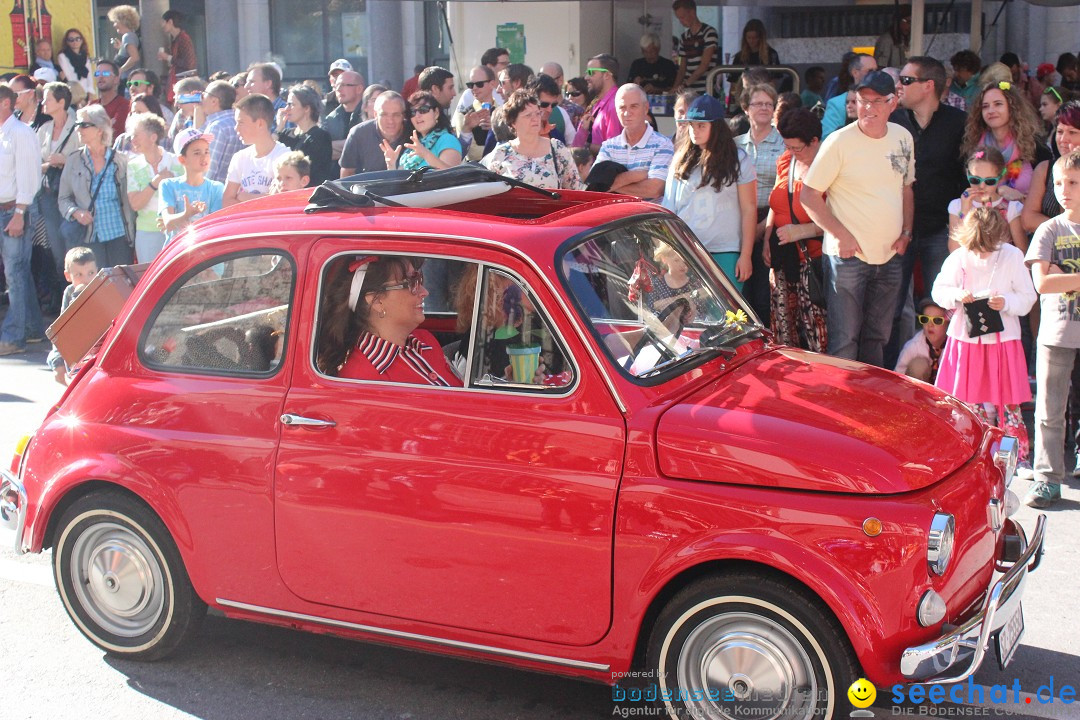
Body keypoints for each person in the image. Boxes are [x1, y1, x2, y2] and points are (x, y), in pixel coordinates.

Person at [801, 71, 915, 367]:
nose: (869, 107)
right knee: (845, 340)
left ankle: (870, 404)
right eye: (863, 100)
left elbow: (906, 188)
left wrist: (906, 233)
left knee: (878, 337)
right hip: (847, 257)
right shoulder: (838, 141)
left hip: (890, 253)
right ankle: (842, 405)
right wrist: (841, 236)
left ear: (893, 103)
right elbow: (809, 195)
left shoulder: (903, 137)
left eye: (877, 101)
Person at [933, 207, 1036, 463]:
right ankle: (969, 456)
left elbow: (1028, 297)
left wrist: (1007, 302)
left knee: (1008, 404)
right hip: (966, 341)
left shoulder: (1012, 256)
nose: (981, 253)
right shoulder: (959, 256)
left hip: (1003, 341)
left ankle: (1016, 458)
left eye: (987, 247)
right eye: (976, 248)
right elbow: (939, 290)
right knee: (968, 403)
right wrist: (956, 295)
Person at [887, 55, 968, 365]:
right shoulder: (894, 121)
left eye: (906, 80)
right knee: (893, 307)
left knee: (941, 304)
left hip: (940, 230)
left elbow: (967, 179)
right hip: (897, 229)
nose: (899, 86)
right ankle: (894, 371)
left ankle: (944, 371)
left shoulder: (958, 123)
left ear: (928, 86)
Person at [1025, 150, 1080, 506]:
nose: (1064, 190)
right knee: (1049, 409)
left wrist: (1066, 276)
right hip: (1057, 334)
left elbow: (1055, 278)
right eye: (1059, 183)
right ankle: (1047, 477)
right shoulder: (1049, 229)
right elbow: (1042, 283)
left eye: (1073, 182)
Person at [316, 255, 462, 386]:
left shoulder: (425, 341)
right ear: (377, 301)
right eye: (411, 283)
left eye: (419, 280)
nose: (424, 292)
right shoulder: (363, 379)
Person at [663, 95, 756, 291]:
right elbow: (669, 208)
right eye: (691, 125)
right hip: (687, 251)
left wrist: (746, 255)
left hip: (726, 250)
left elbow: (749, 208)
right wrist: (669, 253)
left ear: (717, 127)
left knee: (730, 317)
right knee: (691, 315)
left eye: (701, 126)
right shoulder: (679, 160)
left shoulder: (739, 160)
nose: (694, 131)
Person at [763, 107, 827, 352]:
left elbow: (840, 219)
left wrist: (799, 232)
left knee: (816, 332)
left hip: (814, 262)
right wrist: (768, 236)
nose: (791, 152)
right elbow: (777, 202)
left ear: (814, 141)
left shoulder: (829, 167)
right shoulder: (786, 161)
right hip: (783, 260)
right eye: (787, 146)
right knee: (784, 333)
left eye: (796, 148)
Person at [58, 104, 134, 268]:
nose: (79, 129)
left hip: (119, 234)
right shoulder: (73, 160)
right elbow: (63, 198)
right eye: (77, 125)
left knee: (122, 286)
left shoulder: (120, 160)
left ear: (100, 129)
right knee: (97, 288)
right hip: (89, 236)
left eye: (84, 125)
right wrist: (76, 212)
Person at [0, 84, 44, 357]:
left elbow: (29, 176)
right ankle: (32, 329)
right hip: (6, 210)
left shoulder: (21, 133)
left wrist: (19, 213)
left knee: (14, 274)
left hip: (14, 210)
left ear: (5, 103)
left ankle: (14, 336)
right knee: (19, 273)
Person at [735, 83, 784, 325]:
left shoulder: (784, 145)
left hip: (772, 220)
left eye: (769, 104)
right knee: (739, 293)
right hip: (738, 220)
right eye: (758, 103)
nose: (764, 108)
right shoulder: (734, 144)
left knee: (765, 295)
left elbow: (784, 190)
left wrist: (763, 228)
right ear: (746, 108)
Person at [961, 80, 1049, 199]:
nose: (991, 111)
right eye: (985, 106)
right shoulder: (973, 144)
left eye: (998, 104)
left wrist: (1021, 198)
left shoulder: (1033, 143)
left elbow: (1049, 193)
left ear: (1012, 107)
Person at [482, 90, 582, 190]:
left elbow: (576, 190)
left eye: (537, 114)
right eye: (528, 115)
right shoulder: (501, 154)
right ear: (513, 122)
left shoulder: (557, 149)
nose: (535, 119)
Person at [592, 84, 673, 202]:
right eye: (622, 107)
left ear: (646, 108)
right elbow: (595, 186)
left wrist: (611, 184)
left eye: (633, 106)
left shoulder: (663, 145)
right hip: (615, 218)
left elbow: (655, 190)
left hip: (649, 219)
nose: (627, 113)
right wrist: (636, 176)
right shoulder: (608, 146)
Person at [36, 81, 81, 285]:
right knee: (56, 249)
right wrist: (47, 164)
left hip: (73, 194)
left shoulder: (78, 126)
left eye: (48, 98)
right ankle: (64, 295)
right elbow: (35, 161)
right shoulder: (44, 129)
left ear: (61, 102)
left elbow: (84, 158)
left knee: (73, 243)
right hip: (48, 193)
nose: (43, 102)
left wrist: (64, 160)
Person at [948, 147, 1029, 252]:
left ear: (1000, 177)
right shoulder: (957, 206)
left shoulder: (1011, 207)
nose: (981, 186)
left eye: (989, 181)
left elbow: (1022, 251)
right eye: (975, 180)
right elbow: (954, 250)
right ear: (967, 174)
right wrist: (964, 211)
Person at [125, 112, 181, 262]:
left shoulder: (177, 162)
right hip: (147, 231)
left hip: (177, 230)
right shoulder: (133, 166)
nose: (132, 140)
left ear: (153, 137)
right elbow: (135, 204)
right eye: (132, 136)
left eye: (137, 135)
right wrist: (155, 182)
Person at [222, 94, 288, 206]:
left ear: (260, 124)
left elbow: (281, 201)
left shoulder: (284, 157)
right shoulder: (240, 157)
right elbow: (227, 201)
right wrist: (264, 198)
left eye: (241, 122)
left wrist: (244, 197)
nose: (236, 128)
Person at [160, 128, 224, 241]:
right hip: (177, 253)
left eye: (207, 151)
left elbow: (216, 227)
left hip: (205, 252)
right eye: (197, 153)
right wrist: (187, 214)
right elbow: (168, 224)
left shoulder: (216, 188)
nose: (204, 157)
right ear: (182, 160)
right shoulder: (168, 185)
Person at [46, 246, 97, 383]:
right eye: (79, 275)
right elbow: (62, 330)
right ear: (68, 276)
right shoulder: (70, 293)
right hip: (77, 359)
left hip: (98, 358)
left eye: (91, 273)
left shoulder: (101, 288)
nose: (86, 280)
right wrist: (57, 362)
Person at [383, 91, 461, 171]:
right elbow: (400, 181)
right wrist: (391, 165)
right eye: (412, 112)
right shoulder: (412, 148)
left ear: (436, 113)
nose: (417, 116)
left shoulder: (447, 139)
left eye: (423, 110)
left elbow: (451, 175)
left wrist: (425, 154)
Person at [340, 91, 406, 177]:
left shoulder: (412, 132)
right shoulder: (359, 134)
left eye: (396, 115)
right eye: (384, 114)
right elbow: (346, 173)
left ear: (403, 115)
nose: (390, 121)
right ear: (375, 114)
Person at [277, 84, 333, 187]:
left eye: (291, 105)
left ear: (306, 108)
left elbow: (315, 174)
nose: (286, 109)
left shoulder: (320, 137)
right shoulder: (285, 134)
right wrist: (279, 128)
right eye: (287, 104)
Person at [822, 54, 877, 138]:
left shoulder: (885, 99)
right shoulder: (837, 104)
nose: (875, 74)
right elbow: (827, 137)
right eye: (869, 71)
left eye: (876, 71)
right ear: (855, 73)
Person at [895, 298, 948, 383]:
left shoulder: (955, 347)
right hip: (916, 390)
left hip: (947, 390)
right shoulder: (913, 346)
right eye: (925, 319)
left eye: (937, 320)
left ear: (948, 324)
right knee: (918, 366)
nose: (930, 325)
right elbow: (897, 375)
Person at [453, 66, 499, 162]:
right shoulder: (464, 114)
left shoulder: (503, 112)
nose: (474, 88)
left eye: (479, 84)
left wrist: (496, 129)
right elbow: (471, 153)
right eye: (470, 85)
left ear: (492, 84)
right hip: (476, 170)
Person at [671, 0, 718, 95]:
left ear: (692, 12)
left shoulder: (709, 32)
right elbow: (682, 69)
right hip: (688, 92)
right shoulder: (684, 37)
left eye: (683, 17)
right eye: (679, 18)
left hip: (706, 89)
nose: (681, 21)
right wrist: (674, 88)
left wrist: (685, 84)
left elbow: (704, 65)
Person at [200, 80, 242, 184]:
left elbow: (209, 168)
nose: (201, 99)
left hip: (216, 193)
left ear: (214, 101)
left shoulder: (217, 127)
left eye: (203, 95)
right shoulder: (237, 121)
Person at [159, 10, 197, 104]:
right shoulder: (176, 40)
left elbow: (189, 63)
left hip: (186, 84)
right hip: (180, 82)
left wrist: (168, 57)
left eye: (164, 22)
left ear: (170, 22)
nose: (162, 26)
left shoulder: (183, 39)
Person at [92, 59, 128, 141]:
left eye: (105, 73)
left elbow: (115, 133)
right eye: (97, 74)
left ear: (116, 79)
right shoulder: (91, 106)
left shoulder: (125, 105)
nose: (100, 77)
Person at [245, 63, 285, 131]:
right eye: (246, 82)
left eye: (252, 82)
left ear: (268, 84)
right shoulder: (252, 112)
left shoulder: (285, 112)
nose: (246, 86)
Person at [57, 28, 93, 100]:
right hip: (73, 94)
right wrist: (78, 96)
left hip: (85, 93)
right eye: (71, 39)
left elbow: (89, 76)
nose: (75, 42)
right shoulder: (63, 56)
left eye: (78, 39)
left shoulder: (85, 56)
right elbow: (69, 76)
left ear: (82, 40)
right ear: (67, 42)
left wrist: (90, 93)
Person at [108, 5, 141, 80]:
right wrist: (121, 48)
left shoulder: (128, 36)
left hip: (127, 79)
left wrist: (120, 70)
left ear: (123, 21)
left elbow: (135, 57)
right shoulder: (131, 36)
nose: (114, 25)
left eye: (115, 21)